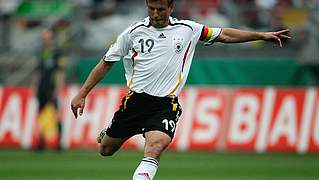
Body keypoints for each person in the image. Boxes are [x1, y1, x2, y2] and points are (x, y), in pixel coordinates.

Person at [71, 0, 291, 179]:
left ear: (171, 8)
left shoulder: (188, 30)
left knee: (155, 146)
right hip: (135, 102)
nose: (155, 13)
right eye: (151, 8)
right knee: (106, 150)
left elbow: (224, 34)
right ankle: (111, 128)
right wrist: (82, 93)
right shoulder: (132, 33)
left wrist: (261, 35)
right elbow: (106, 63)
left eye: (160, 9)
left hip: (165, 105)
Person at [33, 28, 65, 151]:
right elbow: (38, 72)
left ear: (51, 37)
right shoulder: (42, 52)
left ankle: (59, 143)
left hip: (52, 87)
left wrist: (58, 88)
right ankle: (41, 142)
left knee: (56, 114)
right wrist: (35, 86)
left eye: (46, 35)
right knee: (41, 114)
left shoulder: (57, 52)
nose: (44, 37)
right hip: (42, 87)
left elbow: (60, 72)